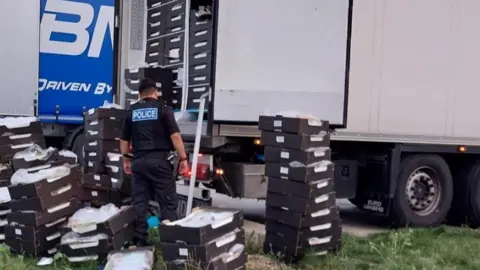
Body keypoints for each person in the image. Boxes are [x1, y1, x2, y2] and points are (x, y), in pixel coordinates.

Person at [120, 78, 189, 247]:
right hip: (159, 162)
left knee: (140, 203)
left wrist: (126, 159)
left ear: (139, 95)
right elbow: (175, 137)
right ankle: (169, 244)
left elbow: (123, 140)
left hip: (138, 162)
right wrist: (184, 158)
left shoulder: (132, 111)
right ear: (155, 93)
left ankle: (140, 242)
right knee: (168, 203)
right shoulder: (164, 110)